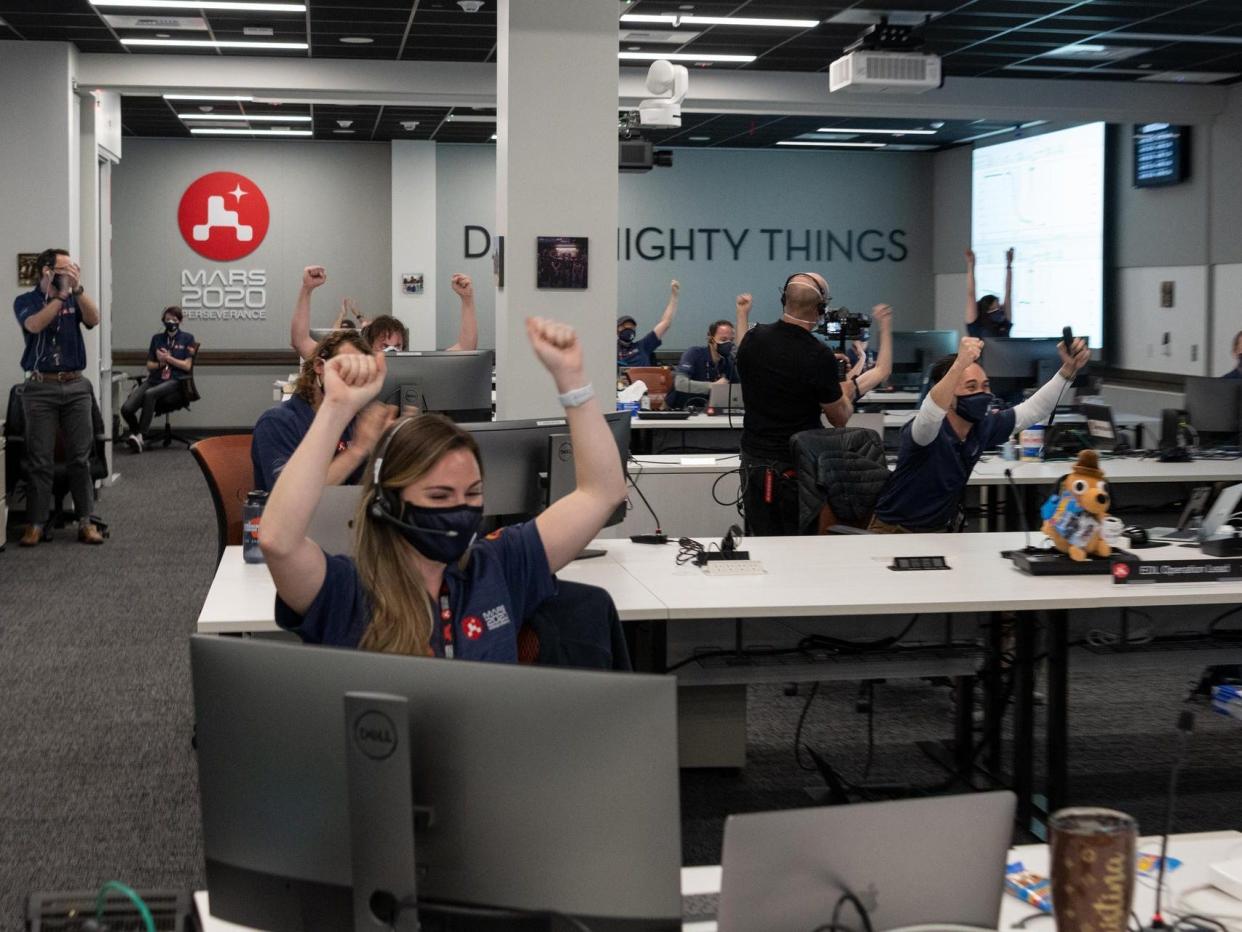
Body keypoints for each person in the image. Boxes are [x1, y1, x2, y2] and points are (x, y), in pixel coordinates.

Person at [258, 317, 627, 656]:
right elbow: (278, 541)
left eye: (473, 493)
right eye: (439, 495)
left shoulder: (499, 566)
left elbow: (601, 494)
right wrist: (336, 408)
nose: (460, 508)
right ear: (388, 501)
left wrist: (574, 383)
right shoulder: (348, 590)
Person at [870, 334, 1091, 534]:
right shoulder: (924, 432)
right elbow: (931, 411)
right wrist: (958, 365)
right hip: (894, 532)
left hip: (940, 532)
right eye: (971, 386)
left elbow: (1033, 410)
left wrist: (1068, 371)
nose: (982, 394)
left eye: (985, 386)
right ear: (949, 396)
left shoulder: (983, 426)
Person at [736, 272, 894, 535]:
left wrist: (742, 313)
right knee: (796, 548)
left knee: (761, 540)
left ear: (783, 300)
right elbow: (839, 418)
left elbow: (743, 356)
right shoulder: (818, 355)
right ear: (821, 309)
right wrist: (842, 389)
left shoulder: (753, 339)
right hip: (795, 470)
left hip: (754, 463)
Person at [13, 248, 104, 546]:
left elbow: (94, 318)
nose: (72, 272)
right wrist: (59, 296)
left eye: (74, 268)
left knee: (80, 458)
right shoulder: (26, 301)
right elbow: (35, 325)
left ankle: (86, 521)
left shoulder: (75, 297)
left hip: (76, 385)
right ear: (46, 271)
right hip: (40, 388)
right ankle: (35, 523)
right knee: (40, 459)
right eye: (66, 269)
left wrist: (76, 291)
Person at [251, 329, 397, 493]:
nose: (353, 380)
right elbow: (293, 497)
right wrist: (357, 450)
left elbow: (357, 490)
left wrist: (379, 450)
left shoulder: (353, 422)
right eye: (347, 369)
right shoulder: (278, 422)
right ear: (320, 366)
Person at [289, 267, 478, 357]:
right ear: (368, 346)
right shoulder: (350, 366)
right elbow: (301, 341)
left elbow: (466, 348)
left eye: (397, 346)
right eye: (384, 345)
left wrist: (467, 299)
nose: (391, 351)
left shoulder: (415, 367)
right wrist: (307, 289)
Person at [120, 305, 196, 452]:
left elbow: (187, 366)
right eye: (168, 319)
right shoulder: (157, 339)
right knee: (127, 409)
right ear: (163, 321)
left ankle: (141, 436)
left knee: (150, 394)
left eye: (174, 319)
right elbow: (149, 365)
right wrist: (161, 363)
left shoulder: (188, 338)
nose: (171, 322)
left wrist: (169, 358)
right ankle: (137, 436)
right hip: (154, 379)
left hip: (175, 380)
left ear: (180, 321)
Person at [618, 279, 679, 369]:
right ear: (617, 329)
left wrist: (674, 296)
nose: (628, 329)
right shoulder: (610, 349)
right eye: (624, 326)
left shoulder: (643, 346)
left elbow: (665, 323)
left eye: (631, 327)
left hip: (643, 382)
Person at [965, 248, 1014, 338]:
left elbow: (1008, 292)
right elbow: (971, 294)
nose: (998, 311)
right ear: (985, 310)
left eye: (999, 308)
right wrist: (971, 265)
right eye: (993, 308)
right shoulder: (976, 325)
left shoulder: (1004, 324)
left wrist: (1009, 266)